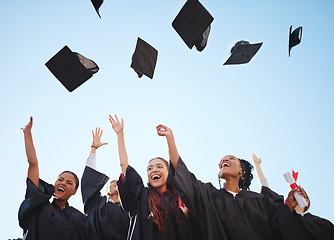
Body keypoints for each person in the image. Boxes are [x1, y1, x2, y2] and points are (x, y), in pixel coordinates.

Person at [156, 123, 312, 240]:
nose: (225, 160)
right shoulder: (209, 197)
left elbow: (280, 222)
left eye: (231, 159)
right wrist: (170, 138)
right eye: (222, 160)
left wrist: (290, 205)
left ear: (241, 171)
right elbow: (184, 176)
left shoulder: (260, 201)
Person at [109, 115, 190, 240]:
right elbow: (124, 166)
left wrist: (187, 216)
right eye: (150, 168)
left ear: (169, 173)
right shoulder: (141, 196)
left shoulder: (177, 200)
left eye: (159, 166)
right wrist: (120, 134)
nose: (154, 170)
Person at [18, 117, 99, 240]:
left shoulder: (81, 219)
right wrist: (27, 133)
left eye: (69, 182)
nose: (63, 183)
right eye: (60, 179)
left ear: (74, 191)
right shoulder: (40, 206)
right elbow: (33, 164)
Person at [250, 153, 334, 240]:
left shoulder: (321, 223)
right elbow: (265, 187)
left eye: (302, 195)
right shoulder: (281, 214)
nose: (298, 195)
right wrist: (257, 165)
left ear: (307, 201)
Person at [81, 127, 129, 240]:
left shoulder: (131, 208)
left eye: (119, 182)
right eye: (113, 182)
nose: (116, 182)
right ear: (106, 192)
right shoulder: (96, 205)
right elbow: (89, 179)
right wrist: (93, 149)